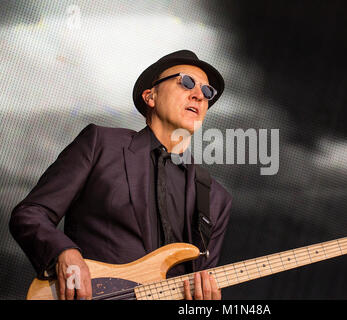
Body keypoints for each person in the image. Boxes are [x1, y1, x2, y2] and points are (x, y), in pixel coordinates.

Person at [9, 50, 232, 300]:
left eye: (207, 92)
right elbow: (30, 213)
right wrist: (64, 252)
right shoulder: (101, 144)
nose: (199, 95)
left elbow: (200, 284)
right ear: (150, 96)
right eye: (187, 82)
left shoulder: (214, 197)